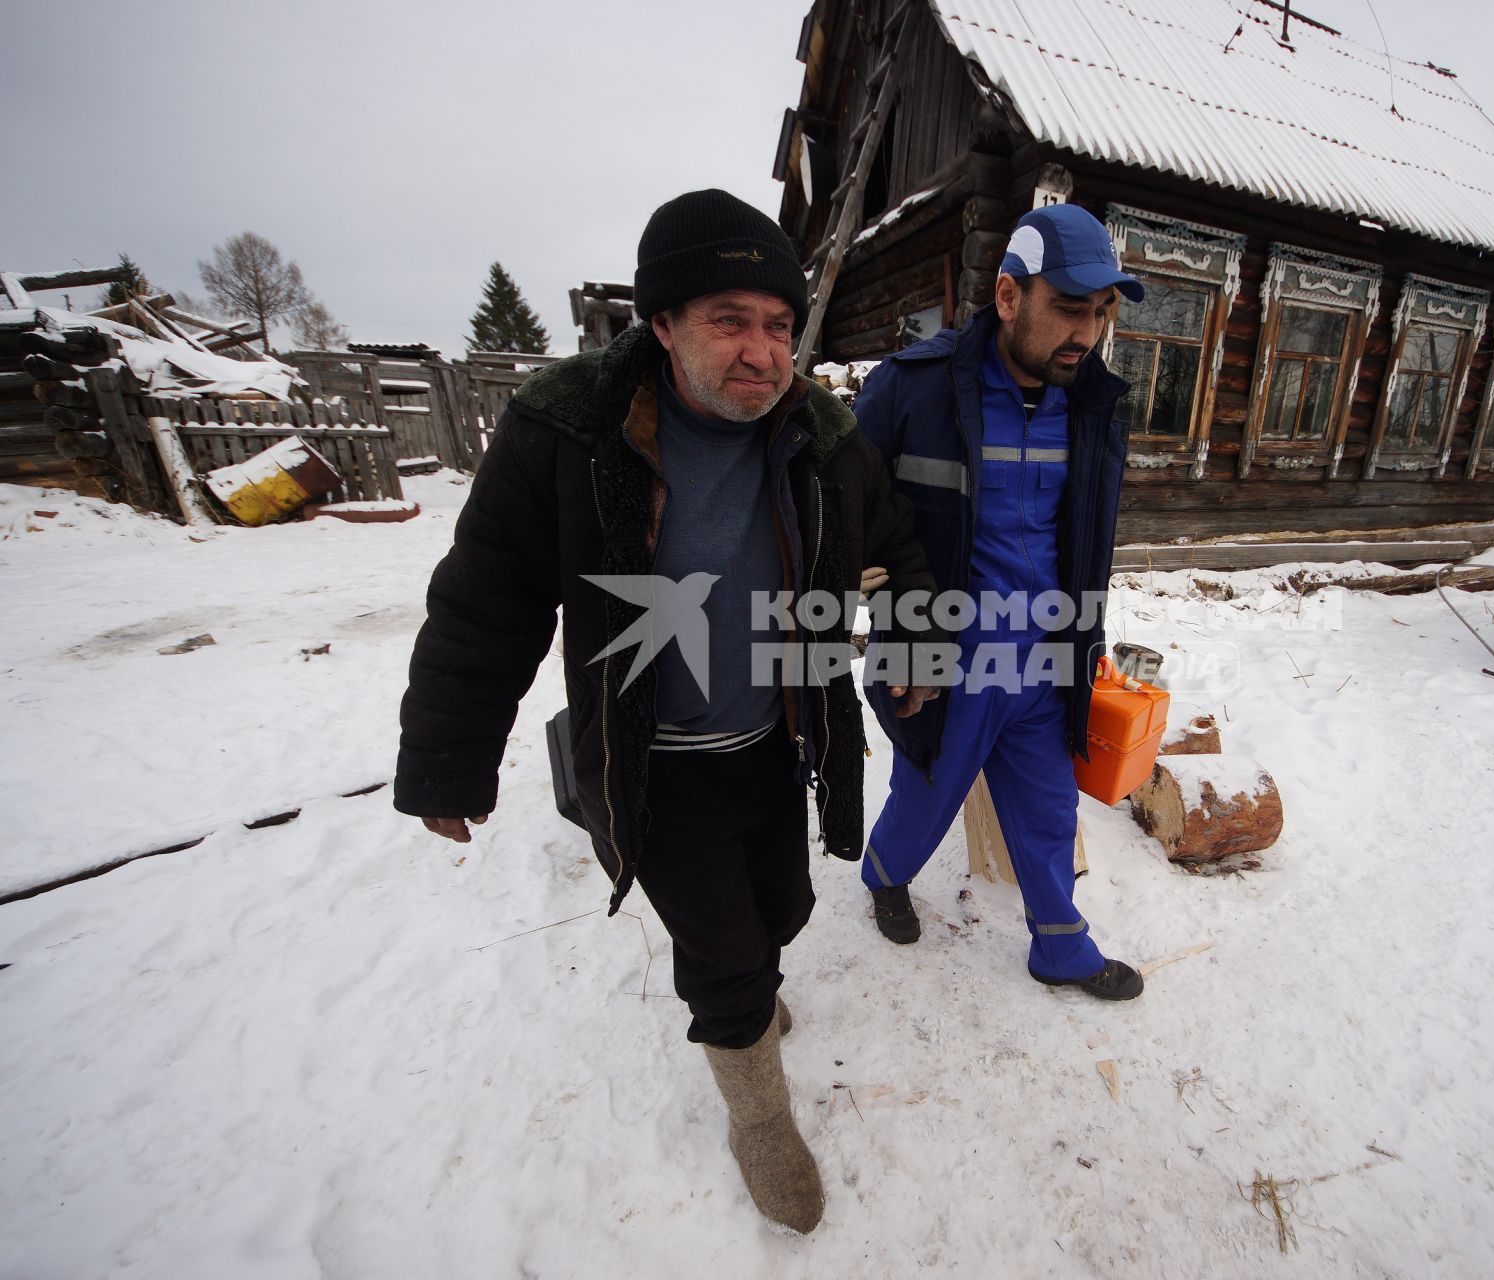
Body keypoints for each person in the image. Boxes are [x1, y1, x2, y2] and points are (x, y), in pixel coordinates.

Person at [393, 189, 942, 1234]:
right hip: (654, 760)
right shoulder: (570, 431)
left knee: (779, 908)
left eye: (778, 324)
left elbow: (896, 541)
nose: (761, 350)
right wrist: (445, 759)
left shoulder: (821, 432)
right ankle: (756, 1110)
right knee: (725, 954)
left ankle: (752, 995)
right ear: (661, 324)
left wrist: (916, 643)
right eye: (728, 319)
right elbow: (486, 596)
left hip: (779, 740)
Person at [850, 202, 1146, 1001]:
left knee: (1050, 813)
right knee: (927, 798)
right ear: (1010, 296)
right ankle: (884, 874)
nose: (1086, 333)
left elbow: (1081, 541)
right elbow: (840, 512)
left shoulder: (1090, 405)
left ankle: (1061, 948)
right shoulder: (912, 390)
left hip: (1045, 659)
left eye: (1100, 312)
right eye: (1068, 309)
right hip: (947, 660)